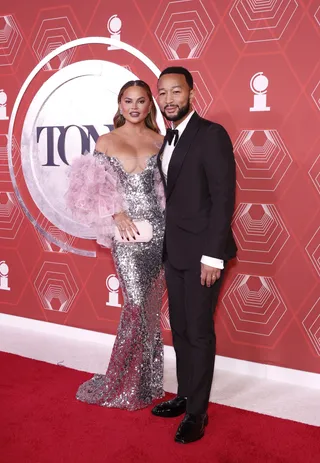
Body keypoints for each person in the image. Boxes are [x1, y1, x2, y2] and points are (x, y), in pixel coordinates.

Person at [66, 80, 166, 411]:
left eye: (141, 101)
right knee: (136, 304)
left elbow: (169, 187)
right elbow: (90, 187)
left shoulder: (160, 141)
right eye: (128, 101)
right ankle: (120, 381)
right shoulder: (107, 141)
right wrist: (116, 211)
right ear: (120, 105)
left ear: (149, 106)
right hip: (126, 233)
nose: (134, 107)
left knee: (151, 307)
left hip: (159, 230)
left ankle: (147, 383)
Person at [151, 67, 237, 443]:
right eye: (163, 93)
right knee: (182, 329)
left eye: (176, 92)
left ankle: (197, 414)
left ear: (191, 93)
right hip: (175, 252)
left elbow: (222, 199)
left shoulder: (211, 134)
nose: (169, 99)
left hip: (204, 254)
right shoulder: (165, 139)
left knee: (199, 332)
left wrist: (213, 257)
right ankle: (185, 395)